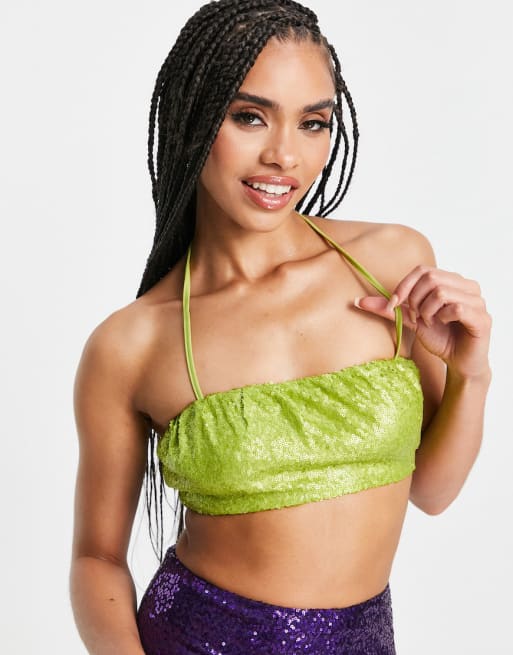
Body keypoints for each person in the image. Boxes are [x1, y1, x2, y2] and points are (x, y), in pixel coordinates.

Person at [69, 1, 492, 653]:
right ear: (192, 119)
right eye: (249, 116)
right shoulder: (132, 343)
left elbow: (432, 491)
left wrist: (470, 373)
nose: (284, 155)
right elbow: (96, 558)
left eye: (313, 122)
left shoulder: (391, 263)